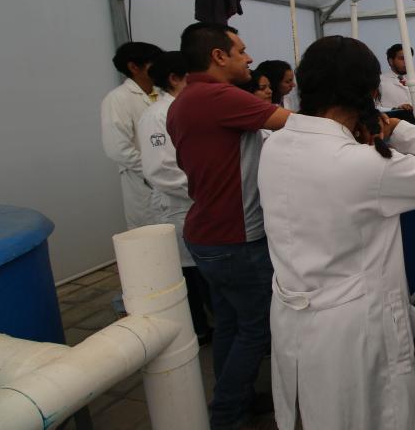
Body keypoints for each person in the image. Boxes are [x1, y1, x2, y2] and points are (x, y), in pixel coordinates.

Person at [258, 36, 415, 430]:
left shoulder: (275, 145)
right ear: (369, 92)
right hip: (355, 327)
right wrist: (401, 131)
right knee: (375, 415)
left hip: (294, 314)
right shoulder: (361, 165)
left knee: (314, 413)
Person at [167, 22, 292, 430]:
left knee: (231, 324)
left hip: (206, 235)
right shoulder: (218, 96)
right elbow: (296, 125)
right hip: (235, 239)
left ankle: (232, 396)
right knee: (257, 329)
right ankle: (226, 415)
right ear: (218, 56)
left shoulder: (185, 100)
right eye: (241, 51)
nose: (250, 58)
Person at [137, 51, 213, 344]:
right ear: (174, 78)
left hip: (196, 203)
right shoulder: (157, 115)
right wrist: (205, 189)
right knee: (188, 276)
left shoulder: (181, 107)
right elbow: (162, 169)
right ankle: (198, 329)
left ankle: (205, 323)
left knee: (199, 273)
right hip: (179, 207)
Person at [101, 41, 163, 230]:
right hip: (143, 183)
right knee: (152, 241)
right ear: (134, 67)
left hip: (167, 178)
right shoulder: (117, 98)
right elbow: (118, 149)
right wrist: (152, 171)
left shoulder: (161, 93)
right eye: (154, 63)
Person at [379, 43, 415, 110]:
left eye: (409, 58)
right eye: (402, 58)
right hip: (392, 119)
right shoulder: (380, 81)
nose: (407, 62)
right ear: (391, 61)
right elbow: (374, 108)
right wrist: (395, 109)